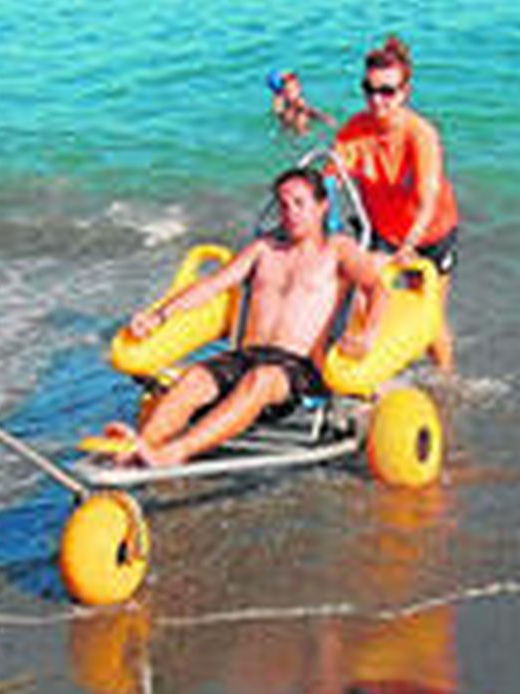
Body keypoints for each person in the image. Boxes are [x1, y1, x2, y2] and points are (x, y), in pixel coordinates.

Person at [103, 166, 388, 468]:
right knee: (194, 378)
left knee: (260, 380)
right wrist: (158, 317)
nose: (290, 212)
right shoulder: (264, 249)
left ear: (322, 206)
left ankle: (176, 452)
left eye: (299, 203)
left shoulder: (338, 250)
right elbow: (211, 286)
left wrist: (368, 335)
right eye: (284, 204)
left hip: (298, 368)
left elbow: (378, 290)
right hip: (246, 356)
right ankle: (141, 446)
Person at [333, 35, 460, 370]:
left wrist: (410, 244)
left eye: (387, 91)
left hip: (429, 234)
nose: (377, 100)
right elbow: (331, 177)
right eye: (369, 89)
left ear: (404, 93)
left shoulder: (421, 134)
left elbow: (428, 195)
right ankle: (359, 385)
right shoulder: (354, 129)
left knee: (430, 315)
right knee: (363, 300)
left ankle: (446, 381)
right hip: (382, 230)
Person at [268, 69, 335, 137]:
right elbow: (285, 117)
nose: (299, 89)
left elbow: (310, 111)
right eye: (292, 89)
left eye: (297, 86)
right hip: (298, 134)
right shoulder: (283, 103)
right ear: (283, 93)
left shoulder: (295, 100)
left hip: (299, 130)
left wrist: (324, 118)